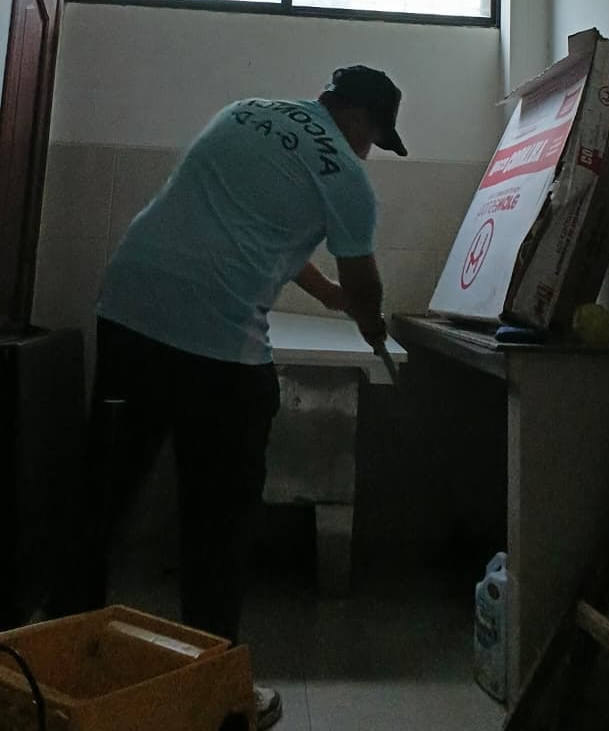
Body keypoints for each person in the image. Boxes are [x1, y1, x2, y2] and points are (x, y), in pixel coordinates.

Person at [84, 65, 407, 731]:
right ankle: (218, 701)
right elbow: (366, 283)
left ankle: (52, 667)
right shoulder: (347, 177)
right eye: (374, 137)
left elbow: (258, 232)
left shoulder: (244, 112)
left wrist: (327, 296)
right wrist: (370, 321)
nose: (368, 151)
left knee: (100, 498)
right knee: (217, 527)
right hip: (217, 347)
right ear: (359, 118)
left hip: (127, 308)